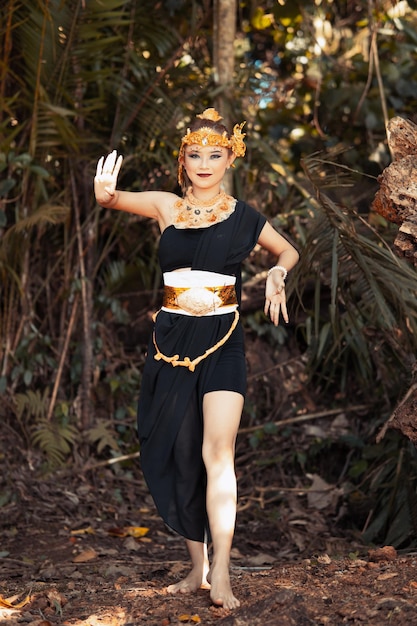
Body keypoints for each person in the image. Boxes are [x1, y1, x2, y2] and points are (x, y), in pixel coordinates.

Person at [94, 108, 299, 610]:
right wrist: (105, 194)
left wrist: (278, 273)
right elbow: (114, 199)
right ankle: (197, 569)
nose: (204, 163)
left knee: (218, 453)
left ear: (231, 157)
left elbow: (287, 250)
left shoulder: (246, 216)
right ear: (182, 159)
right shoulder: (166, 205)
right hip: (170, 341)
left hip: (223, 339)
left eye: (215, 154)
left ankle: (223, 572)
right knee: (181, 453)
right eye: (194, 154)